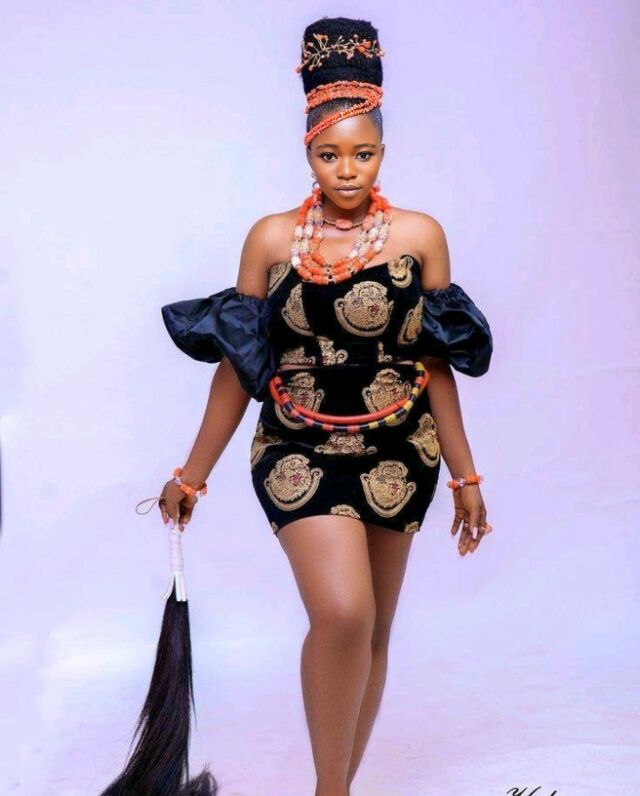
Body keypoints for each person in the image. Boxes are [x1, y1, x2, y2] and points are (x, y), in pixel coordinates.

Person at [158, 15, 494, 796]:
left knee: (372, 630)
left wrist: (466, 476)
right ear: (307, 151)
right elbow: (240, 366)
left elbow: (435, 363)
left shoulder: (419, 236)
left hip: (402, 449)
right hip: (297, 446)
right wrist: (192, 473)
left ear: (384, 150)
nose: (348, 170)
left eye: (363, 153)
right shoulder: (272, 240)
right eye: (330, 154)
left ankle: (332, 786)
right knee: (344, 613)